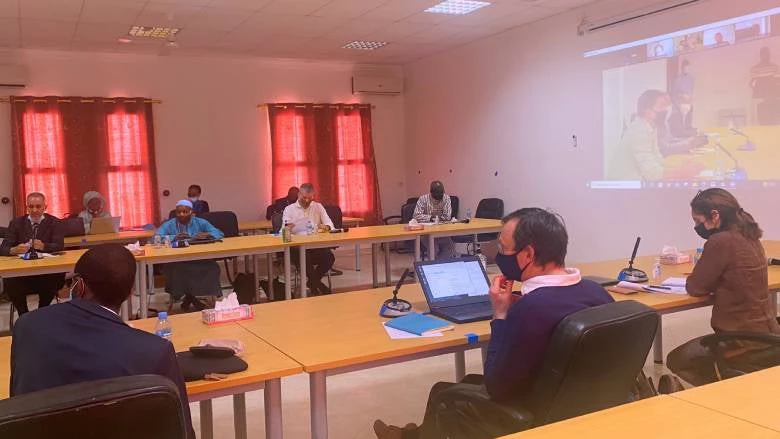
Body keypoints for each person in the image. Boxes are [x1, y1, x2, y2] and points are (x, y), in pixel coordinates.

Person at [374, 208, 614, 439]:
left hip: (536, 416)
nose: (499, 255)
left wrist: (500, 313)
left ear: (528, 254)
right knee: (467, 383)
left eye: (503, 248)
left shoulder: (529, 310)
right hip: (583, 407)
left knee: (443, 394)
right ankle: (410, 435)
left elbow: (496, 384)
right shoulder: (598, 294)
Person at [9, 244, 195, 438]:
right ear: (130, 292)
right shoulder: (155, 351)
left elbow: (18, 407)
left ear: (79, 286)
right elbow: (180, 430)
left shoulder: (28, 326)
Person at [666, 189, 780, 386]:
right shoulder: (749, 234)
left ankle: (726, 392)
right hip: (768, 334)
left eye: (697, 220)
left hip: (743, 342)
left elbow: (696, 287)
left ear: (715, 215)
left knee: (678, 359)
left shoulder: (721, 241)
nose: (696, 226)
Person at [0, 192, 65, 315]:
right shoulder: (16, 223)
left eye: (38, 206)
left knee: (52, 278)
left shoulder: (55, 222)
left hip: (45, 272)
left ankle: (42, 312)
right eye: (31, 206)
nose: (34, 210)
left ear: (45, 207)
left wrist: (44, 246)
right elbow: (3, 248)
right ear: (26, 207)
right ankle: (23, 314)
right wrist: (13, 250)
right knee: (10, 280)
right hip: (22, 274)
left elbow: (59, 246)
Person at [156, 200, 224, 311]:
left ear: (191, 212)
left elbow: (219, 233)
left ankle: (191, 297)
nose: (181, 214)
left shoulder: (200, 222)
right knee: (178, 269)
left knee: (212, 267)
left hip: (199, 259)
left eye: (185, 212)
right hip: (177, 261)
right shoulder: (169, 224)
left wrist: (207, 234)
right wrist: (173, 237)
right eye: (179, 212)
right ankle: (190, 297)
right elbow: (156, 238)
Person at [282, 183, 335, 295]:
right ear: (299, 194)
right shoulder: (289, 209)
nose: (306, 200)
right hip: (296, 248)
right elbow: (284, 231)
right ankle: (315, 286)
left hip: (314, 244)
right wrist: (289, 228)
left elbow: (329, 223)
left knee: (329, 257)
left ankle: (312, 282)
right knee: (304, 258)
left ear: (313, 196)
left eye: (310, 198)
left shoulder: (318, 206)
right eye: (304, 197)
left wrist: (326, 227)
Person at [607, 89, 667, 180]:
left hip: (636, 183)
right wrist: (676, 174)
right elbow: (651, 172)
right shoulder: (638, 131)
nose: (665, 110)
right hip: (622, 188)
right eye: (661, 106)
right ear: (647, 110)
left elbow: (657, 157)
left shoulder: (650, 127)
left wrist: (674, 169)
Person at [413, 181, 455, 259]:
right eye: (437, 194)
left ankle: (441, 265)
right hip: (426, 232)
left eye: (441, 193)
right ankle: (433, 267)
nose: (439, 196)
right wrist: (431, 217)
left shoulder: (446, 198)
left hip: (441, 231)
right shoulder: (423, 199)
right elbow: (416, 215)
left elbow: (447, 216)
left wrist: (440, 218)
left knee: (450, 248)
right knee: (434, 249)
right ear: (431, 192)